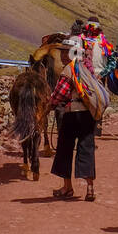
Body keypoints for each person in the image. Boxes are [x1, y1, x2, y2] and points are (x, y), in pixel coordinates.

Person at [46, 58, 97, 201]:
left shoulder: (69, 69)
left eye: (64, 52)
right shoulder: (88, 67)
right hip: (88, 113)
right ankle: (90, 188)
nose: (61, 56)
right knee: (86, 147)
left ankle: (67, 187)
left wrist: (51, 104)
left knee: (64, 148)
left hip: (72, 113)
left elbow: (60, 93)